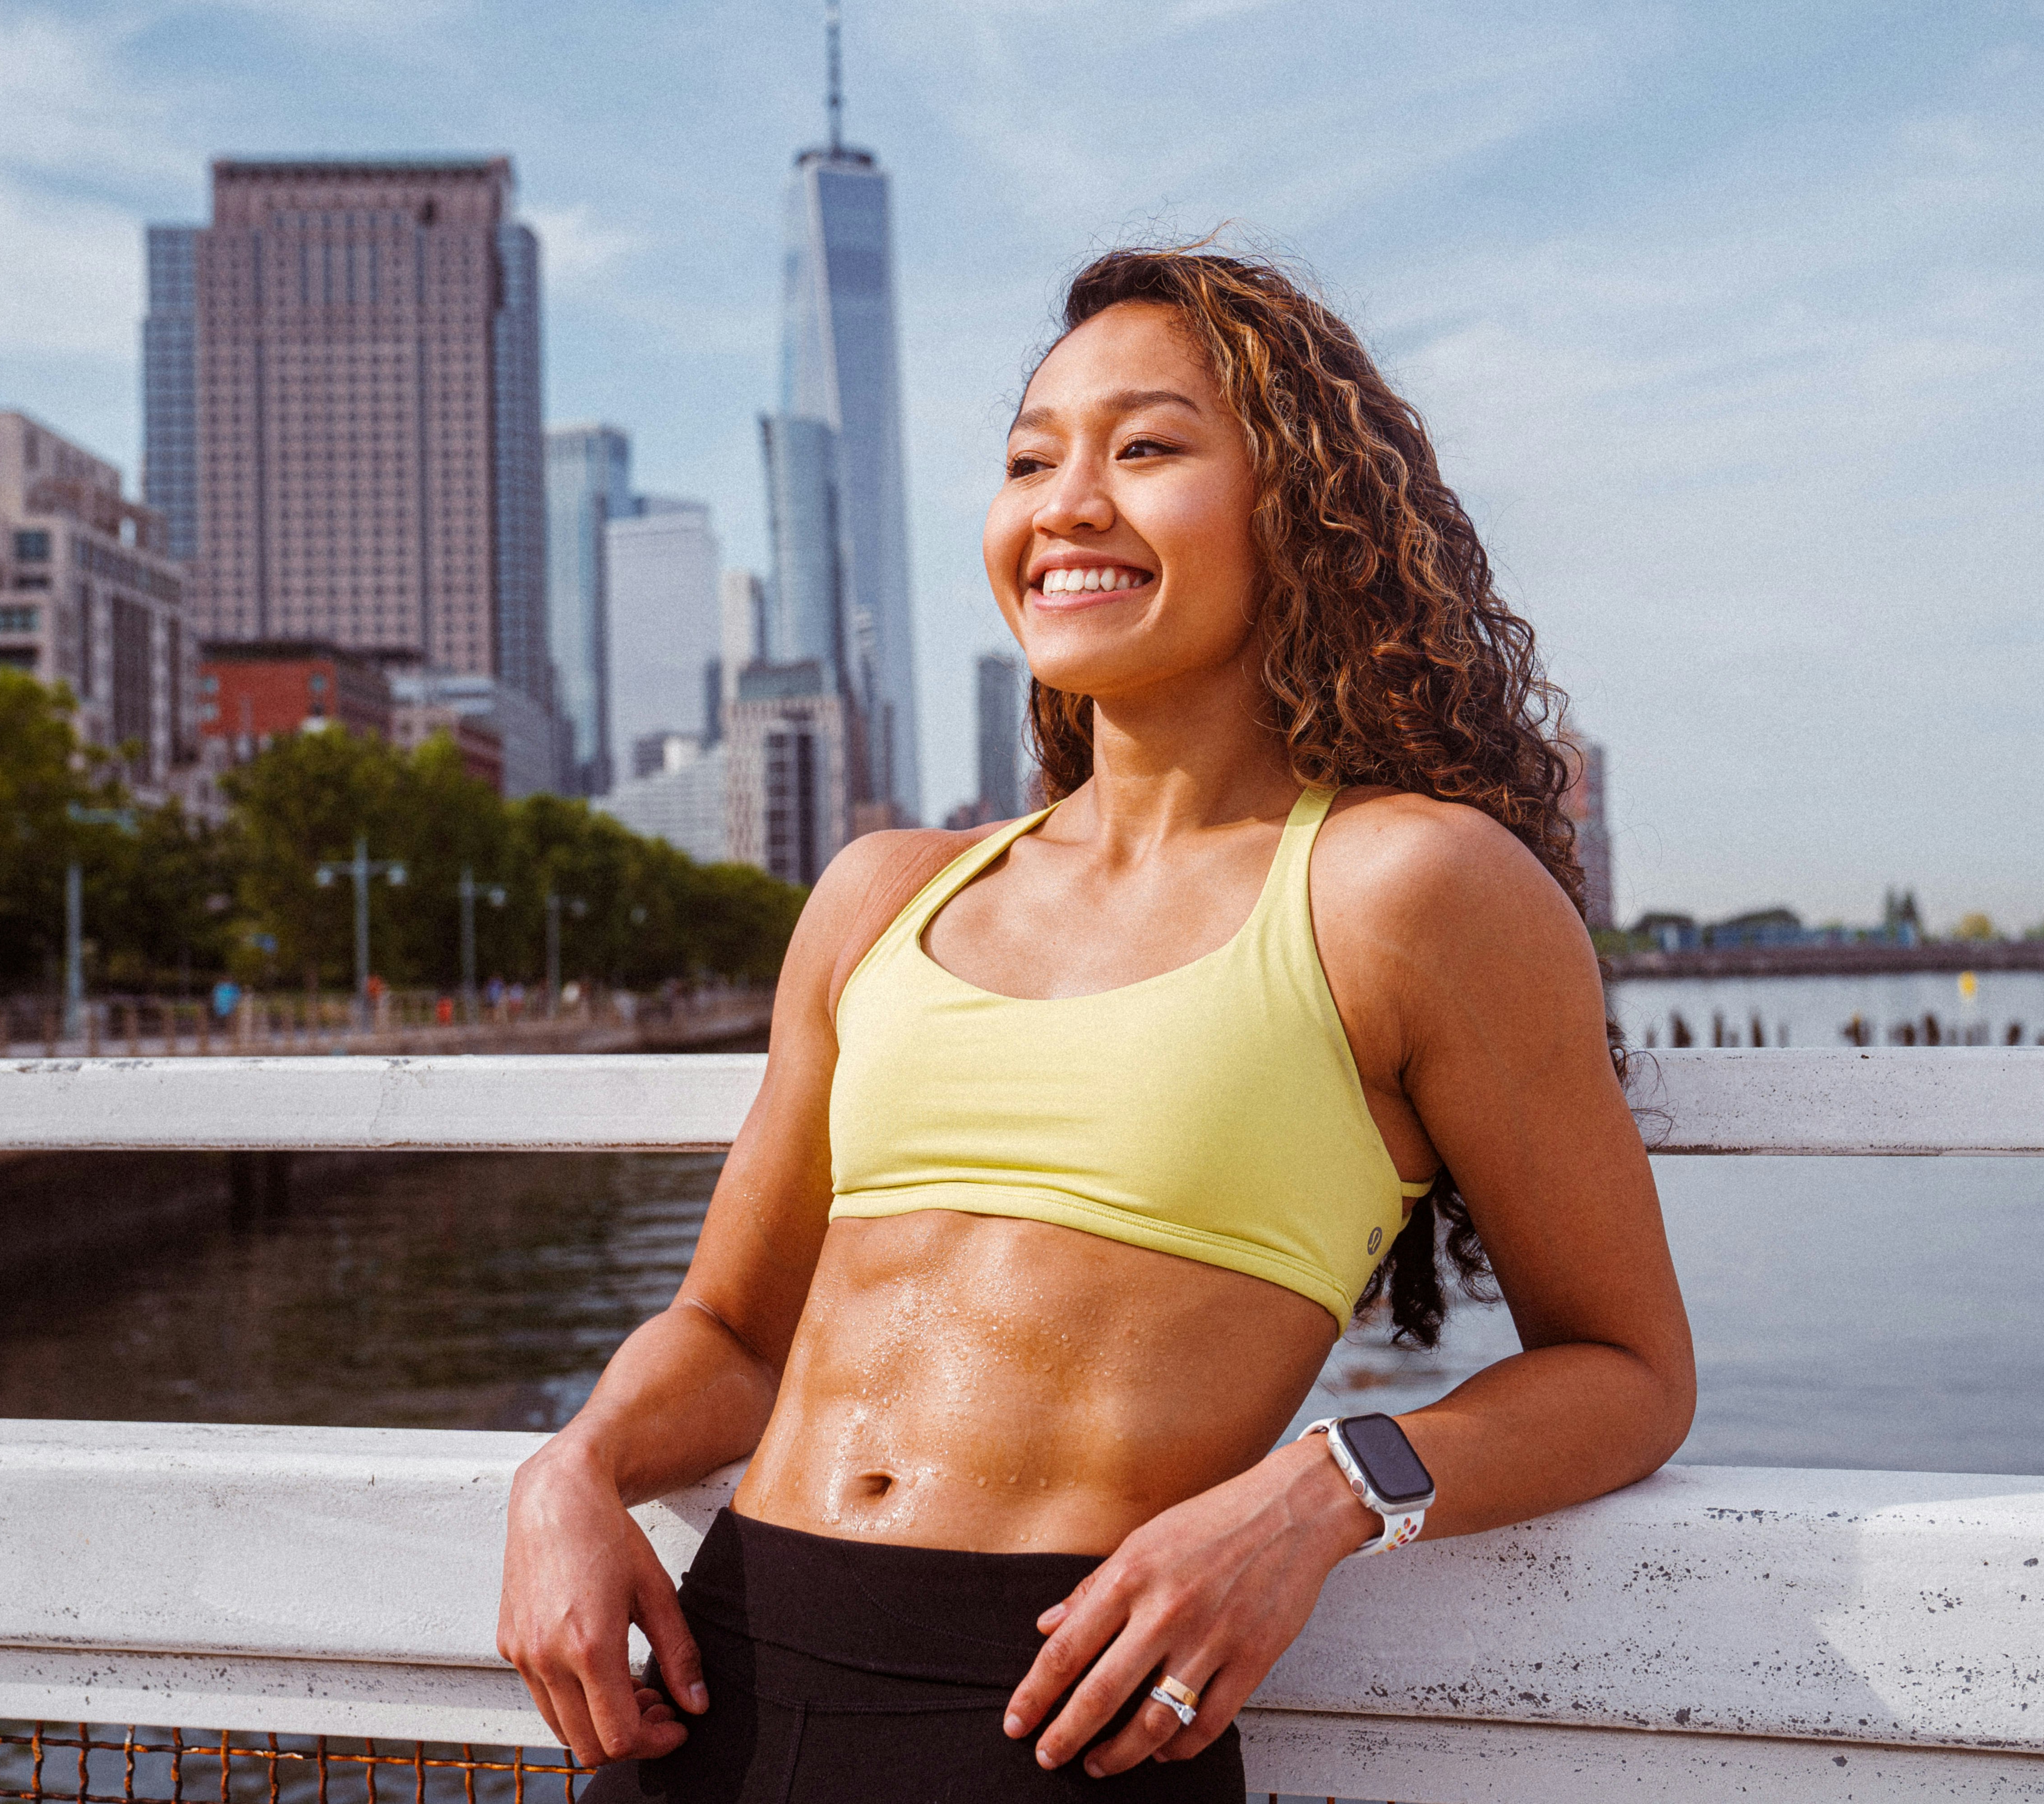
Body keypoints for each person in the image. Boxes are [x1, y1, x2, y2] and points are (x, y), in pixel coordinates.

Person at [498, 245, 1695, 1801]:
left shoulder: (1410, 892)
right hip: (714, 1688)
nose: (1065, 503)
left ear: (1301, 508)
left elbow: (1626, 1369)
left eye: (1144, 449)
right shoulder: (881, 896)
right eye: (1027, 459)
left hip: (1064, 1713)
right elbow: (735, 1335)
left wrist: (1320, 1495)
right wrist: (571, 1468)